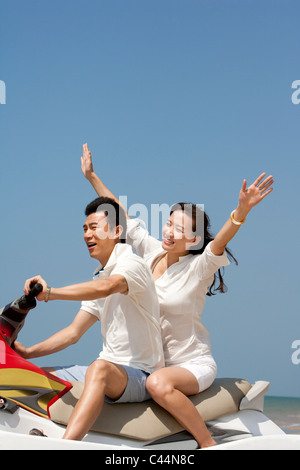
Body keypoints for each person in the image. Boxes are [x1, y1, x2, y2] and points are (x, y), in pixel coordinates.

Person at [81, 143, 274, 448]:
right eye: (169, 222)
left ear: (194, 239)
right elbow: (121, 215)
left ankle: (207, 444)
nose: (169, 230)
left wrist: (242, 211)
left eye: (178, 228)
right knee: (137, 377)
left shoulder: (199, 267)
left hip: (192, 364)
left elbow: (220, 241)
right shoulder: (153, 252)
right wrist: (92, 176)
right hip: (155, 362)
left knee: (158, 384)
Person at [15, 196, 164, 441]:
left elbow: (109, 287)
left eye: (94, 228)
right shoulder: (100, 275)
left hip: (141, 375)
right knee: (29, 377)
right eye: (84, 229)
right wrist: (28, 353)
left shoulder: (132, 265)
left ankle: (66, 447)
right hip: (106, 369)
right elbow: (73, 333)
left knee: (99, 369)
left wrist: (50, 293)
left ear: (117, 231)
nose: (87, 235)